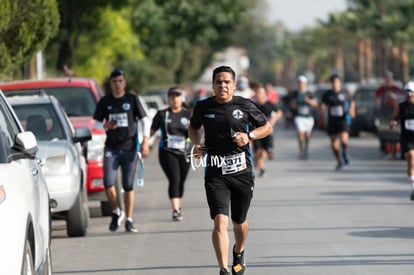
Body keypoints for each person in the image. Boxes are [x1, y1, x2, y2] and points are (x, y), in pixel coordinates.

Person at [188, 65, 272, 275]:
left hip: (242, 171)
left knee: (239, 222)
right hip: (215, 171)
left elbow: (267, 127)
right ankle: (223, 269)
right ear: (213, 85)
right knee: (220, 221)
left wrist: (249, 136)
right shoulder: (203, 106)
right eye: (219, 81)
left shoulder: (244, 105)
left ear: (234, 85)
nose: (223, 85)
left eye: (227, 82)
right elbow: (193, 127)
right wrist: (196, 144)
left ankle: (239, 250)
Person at [93, 68, 150, 233]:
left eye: (120, 81)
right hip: (111, 148)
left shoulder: (132, 99)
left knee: (128, 185)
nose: (117, 84)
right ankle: (116, 210)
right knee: (108, 182)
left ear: (124, 83)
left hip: (130, 149)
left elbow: (145, 120)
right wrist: (105, 126)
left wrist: (145, 141)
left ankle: (129, 219)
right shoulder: (105, 101)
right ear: (110, 84)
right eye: (114, 81)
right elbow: (96, 123)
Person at [150, 87, 192, 221]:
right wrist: (143, 143)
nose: (175, 99)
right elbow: (151, 131)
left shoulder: (188, 114)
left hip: (185, 152)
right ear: (168, 98)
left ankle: (178, 207)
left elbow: (197, 133)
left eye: (177, 96)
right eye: (172, 96)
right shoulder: (162, 114)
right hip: (167, 151)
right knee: (174, 178)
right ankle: (175, 210)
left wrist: (191, 130)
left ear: (182, 98)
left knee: (181, 181)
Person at [320, 74, 355, 170]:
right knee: (334, 145)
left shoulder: (345, 92)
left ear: (340, 83)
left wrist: (352, 110)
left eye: (337, 82)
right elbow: (323, 105)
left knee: (344, 140)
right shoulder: (327, 94)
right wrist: (322, 110)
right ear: (331, 83)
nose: (335, 84)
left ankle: (344, 151)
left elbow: (352, 102)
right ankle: (339, 161)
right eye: (333, 82)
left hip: (343, 120)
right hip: (332, 121)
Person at [390, 81, 414, 200]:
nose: (409, 94)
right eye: (407, 92)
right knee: (411, 156)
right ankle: (413, 187)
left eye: (411, 92)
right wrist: (393, 122)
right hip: (407, 138)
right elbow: (395, 117)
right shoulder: (401, 106)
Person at [252, 84, 283, 176]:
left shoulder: (269, 104)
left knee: (266, 151)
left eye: (260, 93)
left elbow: (279, 112)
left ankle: (261, 162)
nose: (258, 94)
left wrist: (273, 119)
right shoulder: (252, 105)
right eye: (257, 93)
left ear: (264, 94)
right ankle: (261, 167)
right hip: (256, 130)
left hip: (267, 130)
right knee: (258, 151)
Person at [375, 70, 403, 159]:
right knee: (387, 133)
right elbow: (376, 98)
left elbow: (402, 98)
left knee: (397, 132)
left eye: (389, 79)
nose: (388, 80)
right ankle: (389, 152)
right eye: (386, 78)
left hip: (395, 113)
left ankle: (397, 151)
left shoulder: (397, 89)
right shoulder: (382, 89)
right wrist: (378, 107)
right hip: (385, 113)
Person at [290, 75, 318, 159]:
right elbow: (292, 105)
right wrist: (293, 106)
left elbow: (315, 104)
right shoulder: (295, 93)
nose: (300, 84)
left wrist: (308, 100)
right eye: (299, 82)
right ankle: (301, 150)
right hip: (299, 117)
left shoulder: (309, 93)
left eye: (302, 82)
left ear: (305, 83)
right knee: (300, 133)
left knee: (307, 135)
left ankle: (306, 148)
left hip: (308, 117)